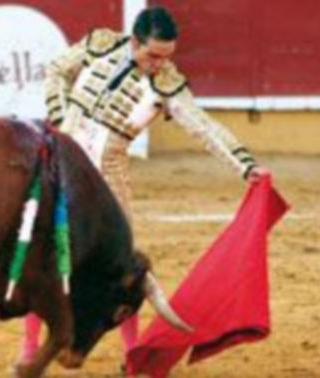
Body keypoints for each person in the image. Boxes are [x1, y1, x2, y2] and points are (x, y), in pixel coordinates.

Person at [15, 5, 271, 372]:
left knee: (123, 272)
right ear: (133, 41)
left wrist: (244, 164)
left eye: (166, 57)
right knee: (44, 254)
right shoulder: (100, 45)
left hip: (108, 179)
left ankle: (133, 354)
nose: (158, 64)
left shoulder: (167, 83)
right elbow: (56, 70)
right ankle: (28, 349)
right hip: (60, 165)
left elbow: (204, 127)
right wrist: (58, 116)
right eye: (152, 55)